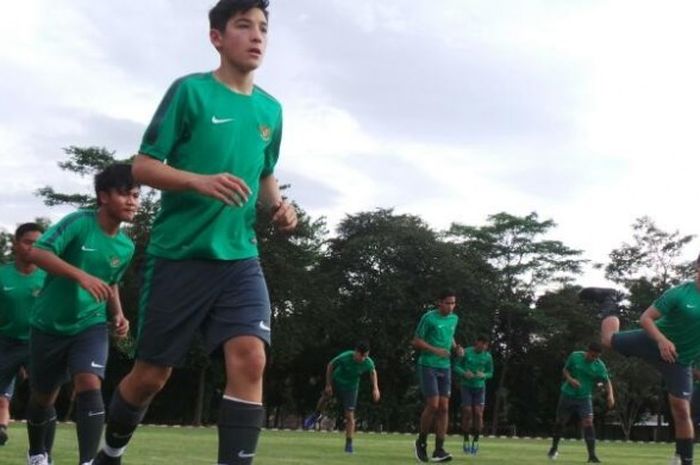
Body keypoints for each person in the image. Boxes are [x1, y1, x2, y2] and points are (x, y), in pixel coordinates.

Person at [93, 1, 297, 464]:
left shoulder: (271, 109)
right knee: (151, 376)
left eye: (263, 28)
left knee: (251, 357)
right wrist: (199, 181)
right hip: (179, 256)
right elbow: (141, 166)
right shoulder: (189, 92)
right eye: (244, 25)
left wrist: (280, 208)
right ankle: (110, 451)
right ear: (217, 38)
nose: (257, 35)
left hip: (240, 258)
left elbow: (266, 172)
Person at [25, 164, 137, 465]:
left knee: (89, 382)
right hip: (48, 325)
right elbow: (38, 252)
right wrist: (80, 276)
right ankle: (37, 453)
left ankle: (88, 461)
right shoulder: (78, 223)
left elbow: (111, 282)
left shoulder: (126, 246)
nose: (132, 201)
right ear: (103, 196)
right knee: (43, 398)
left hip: (90, 324)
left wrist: (119, 314)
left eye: (136, 195)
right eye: (124, 194)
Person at [581, 253, 700, 465]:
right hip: (652, 340)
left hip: (679, 361)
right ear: (697, 267)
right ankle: (609, 299)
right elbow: (645, 318)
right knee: (607, 341)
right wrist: (662, 340)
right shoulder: (680, 294)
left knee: (682, 410)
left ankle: (686, 461)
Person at [0, 223, 46, 447]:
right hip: (5, 343)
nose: (33, 247)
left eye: (39, 243)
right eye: (28, 242)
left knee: (45, 396)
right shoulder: (2, 275)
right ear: (16, 244)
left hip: (38, 343)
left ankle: (40, 452)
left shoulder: (50, 277)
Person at [303, 341, 380, 453]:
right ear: (356, 352)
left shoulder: (368, 362)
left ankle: (349, 444)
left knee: (349, 416)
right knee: (325, 397)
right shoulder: (345, 357)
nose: (363, 359)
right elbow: (330, 365)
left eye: (366, 356)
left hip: (351, 388)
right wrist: (328, 384)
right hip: (337, 381)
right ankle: (316, 414)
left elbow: (373, 372)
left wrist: (375, 388)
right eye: (361, 356)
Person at [412, 289, 461, 463]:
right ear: (439, 302)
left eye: (453, 303)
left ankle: (439, 449)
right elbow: (416, 341)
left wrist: (456, 347)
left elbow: (450, 335)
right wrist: (436, 350)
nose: (451, 306)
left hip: (445, 367)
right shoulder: (429, 318)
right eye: (448, 303)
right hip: (428, 365)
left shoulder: (454, 319)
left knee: (444, 408)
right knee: (433, 405)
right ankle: (421, 443)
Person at [547, 342, 614, 463]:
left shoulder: (599, 366)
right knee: (560, 422)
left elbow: (606, 380)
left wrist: (611, 395)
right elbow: (565, 370)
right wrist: (570, 379)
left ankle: (592, 455)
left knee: (588, 423)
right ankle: (554, 447)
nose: (594, 358)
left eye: (597, 357)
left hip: (584, 398)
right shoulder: (575, 356)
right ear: (587, 351)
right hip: (567, 395)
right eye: (592, 355)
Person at [453, 335, 493, 455]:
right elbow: (456, 366)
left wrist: (484, 375)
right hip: (466, 386)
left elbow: (491, 372)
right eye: (481, 343)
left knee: (478, 413)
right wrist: (464, 373)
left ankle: (475, 441)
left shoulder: (488, 357)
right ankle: (465, 439)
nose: (483, 346)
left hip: (480, 387)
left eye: (485, 345)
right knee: (467, 411)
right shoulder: (466, 352)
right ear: (477, 342)